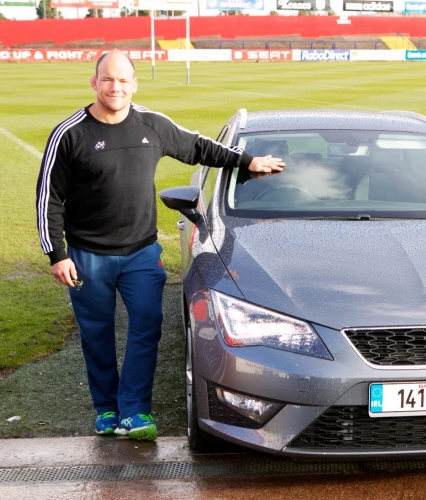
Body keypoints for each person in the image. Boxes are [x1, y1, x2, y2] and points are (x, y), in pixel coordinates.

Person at [35, 50, 284, 441]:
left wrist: (248, 161)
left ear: (134, 84)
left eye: (122, 81)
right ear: (94, 82)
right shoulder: (69, 134)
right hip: (86, 258)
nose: (115, 87)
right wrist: (57, 254)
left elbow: (199, 146)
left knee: (147, 327)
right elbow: (48, 197)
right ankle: (106, 411)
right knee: (97, 335)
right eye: (107, 80)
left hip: (141, 253)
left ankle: (134, 411)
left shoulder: (152, 124)